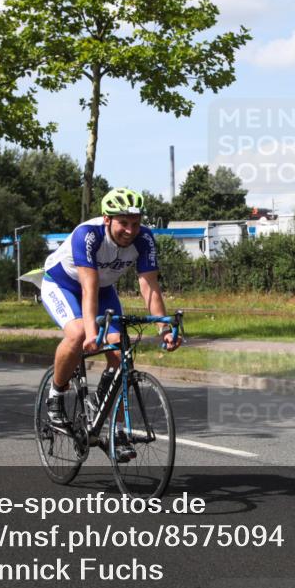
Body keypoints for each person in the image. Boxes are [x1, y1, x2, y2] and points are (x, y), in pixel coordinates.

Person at [39, 188, 181, 460]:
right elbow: (87, 288)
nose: (130, 230)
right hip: (63, 284)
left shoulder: (145, 239)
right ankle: (56, 395)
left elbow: (149, 285)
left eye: (136, 224)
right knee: (79, 333)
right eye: (123, 224)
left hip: (103, 290)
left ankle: (100, 404)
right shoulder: (88, 234)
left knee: (119, 348)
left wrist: (163, 328)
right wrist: (92, 334)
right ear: (107, 219)